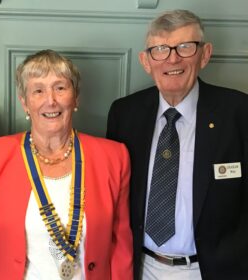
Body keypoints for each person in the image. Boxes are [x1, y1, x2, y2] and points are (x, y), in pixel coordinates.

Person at [0, 49, 133, 279]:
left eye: (60, 88)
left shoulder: (113, 157)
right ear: (24, 103)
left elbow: (121, 246)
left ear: (76, 98)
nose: (50, 100)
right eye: (38, 90)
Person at [106, 9, 248, 280]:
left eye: (185, 47)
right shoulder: (125, 114)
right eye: (160, 49)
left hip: (212, 271)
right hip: (141, 268)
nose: (172, 58)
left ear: (204, 54)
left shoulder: (239, 112)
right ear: (146, 61)